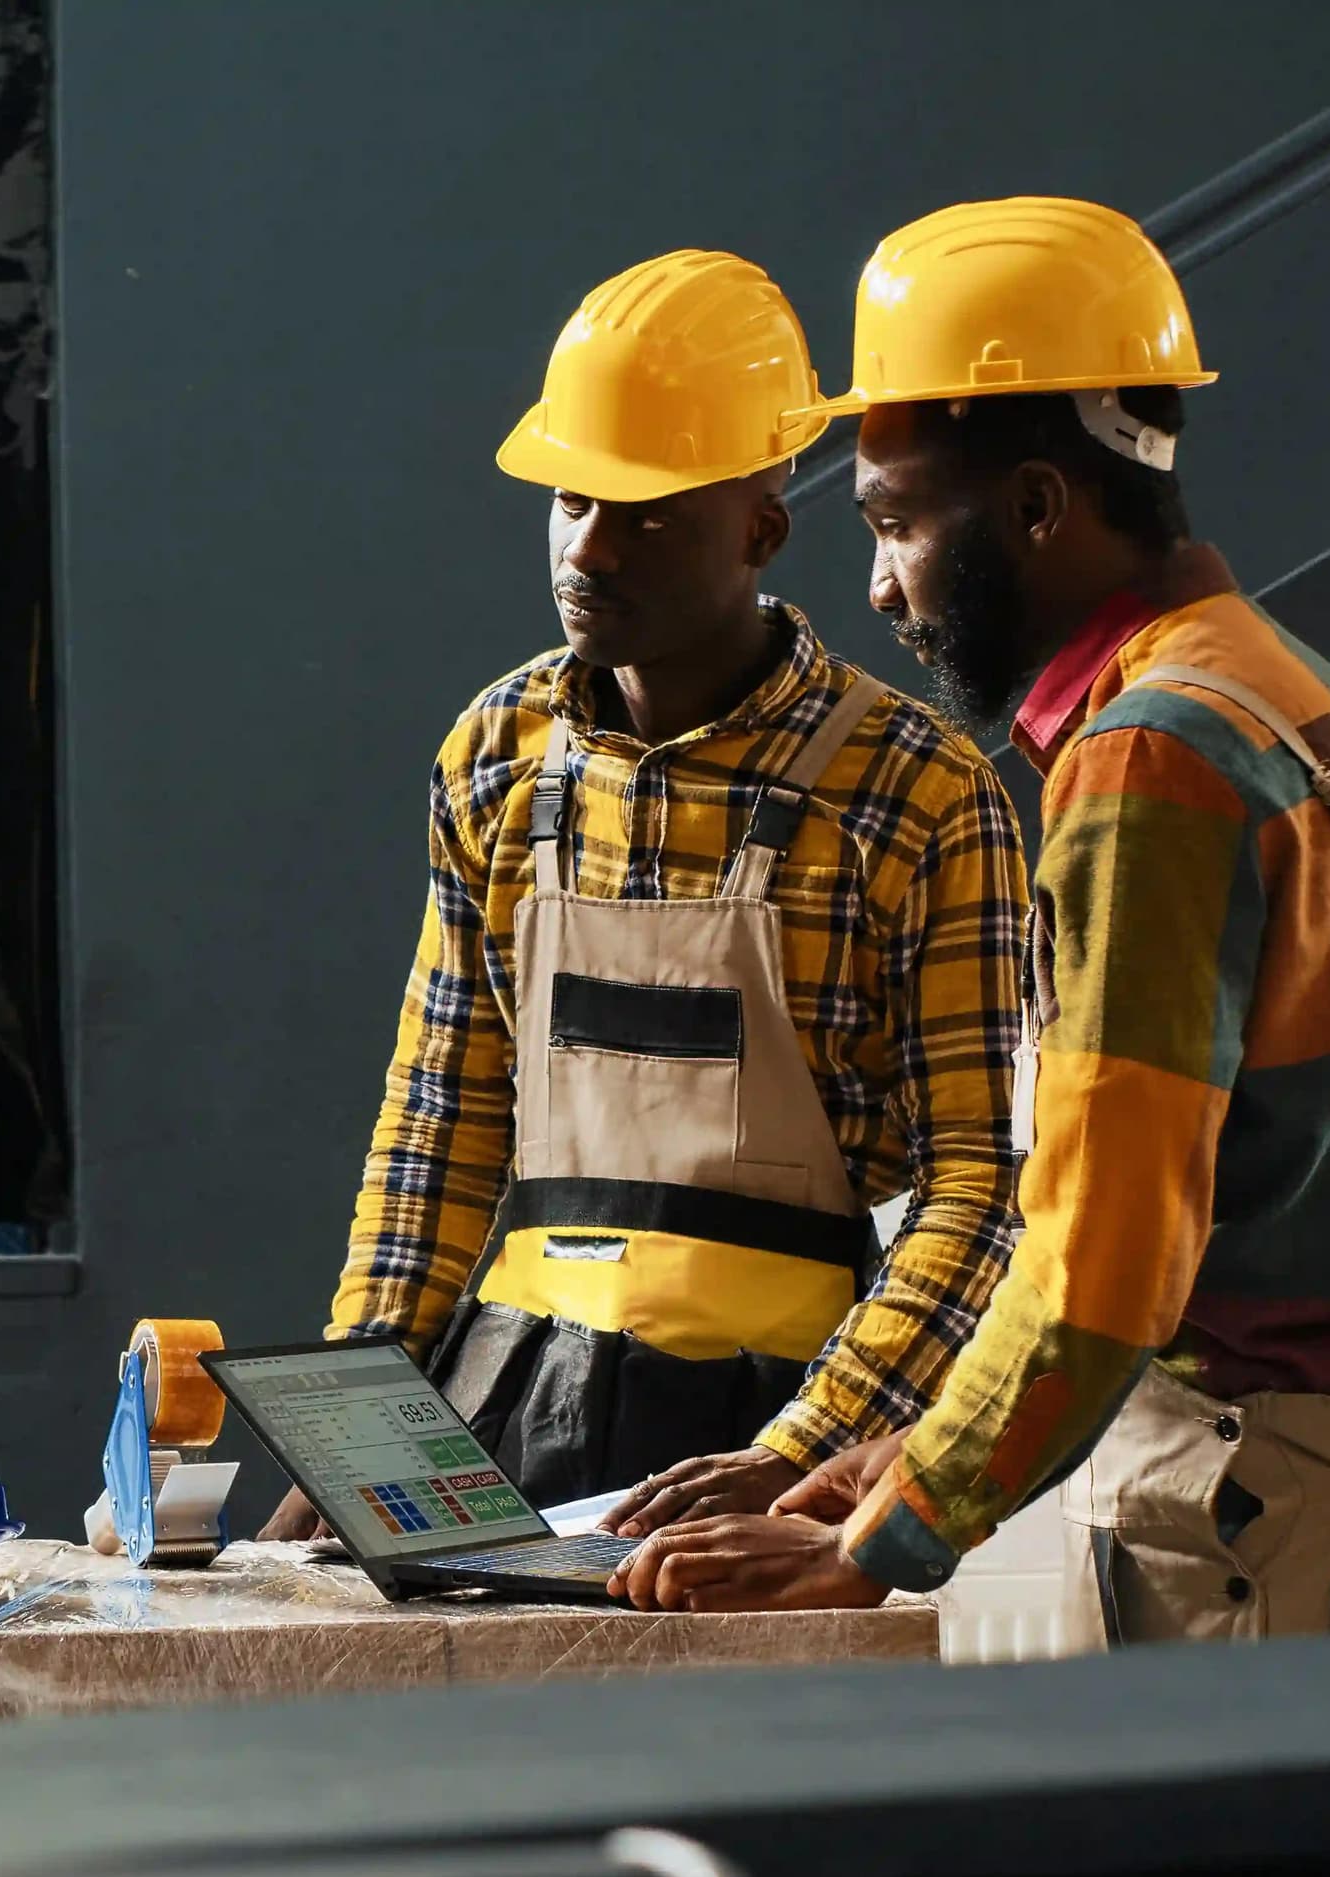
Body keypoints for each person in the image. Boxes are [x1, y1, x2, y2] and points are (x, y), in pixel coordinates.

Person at [609, 198, 1330, 1643]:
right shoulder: (1290, 696)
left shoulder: (1153, 763)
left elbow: (1107, 1256)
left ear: (1036, 508)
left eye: (897, 522)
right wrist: (922, 1446)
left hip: (1253, 1585)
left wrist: (887, 1540)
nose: (878, 584)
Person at [267, 249, 1027, 1538]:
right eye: (572, 499)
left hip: (771, 1435)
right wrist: (348, 1437)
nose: (592, 550)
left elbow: (979, 1189)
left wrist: (801, 1457)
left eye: (650, 516)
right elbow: (443, 1118)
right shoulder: (498, 755)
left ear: (762, 531)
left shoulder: (918, 794)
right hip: (501, 1415)